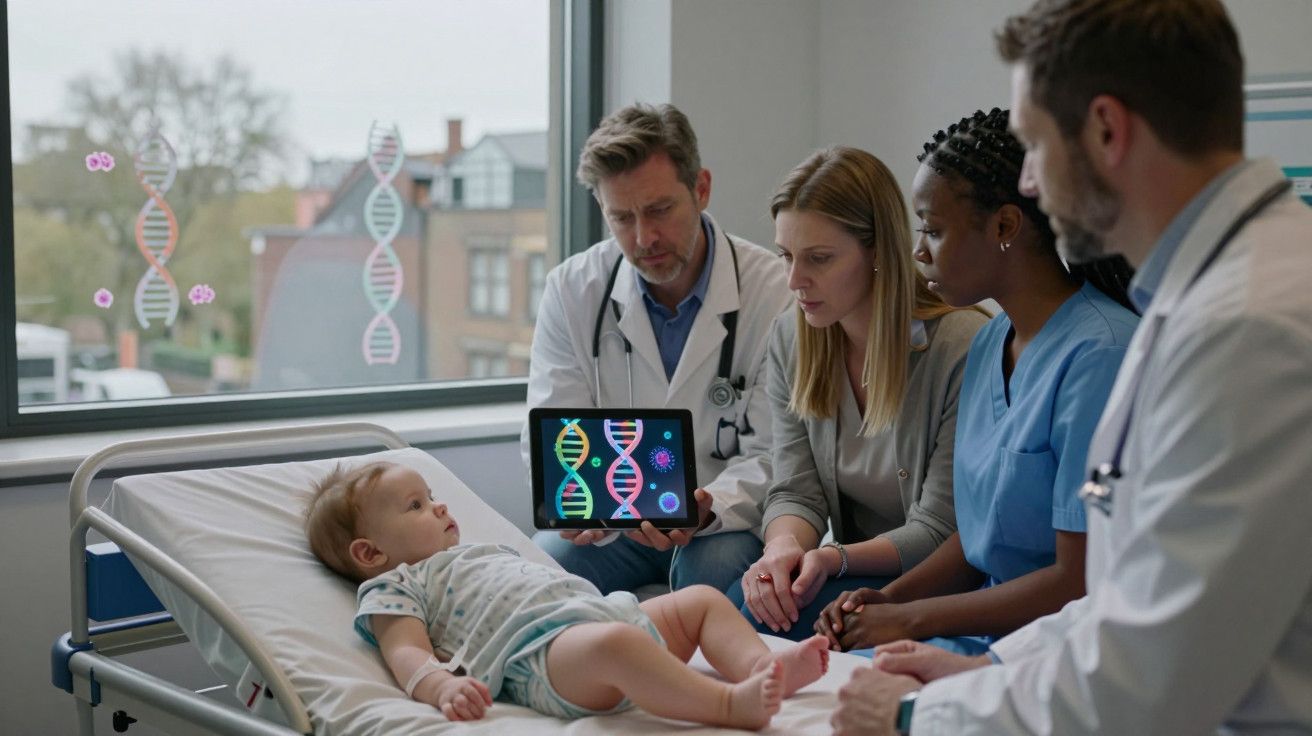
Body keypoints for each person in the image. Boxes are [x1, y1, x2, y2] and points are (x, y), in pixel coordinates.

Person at [832, 1, 1312, 734]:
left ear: (1107, 131)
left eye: (1033, 144)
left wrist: (917, 715)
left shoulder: (1246, 330)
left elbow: (1152, 678)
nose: (1027, 181)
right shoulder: (1202, 300)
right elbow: (1127, 598)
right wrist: (985, 673)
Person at [812, 109, 1139, 656]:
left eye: (933, 231)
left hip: (1061, 650)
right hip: (982, 634)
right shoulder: (991, 343)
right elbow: (982, 539)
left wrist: (913, 620)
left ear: (1005, 226)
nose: (918, 253)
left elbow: (1076, 580)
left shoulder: (1099, 357)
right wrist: (887, 601)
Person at [304, 461, 831, 729]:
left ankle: (762, 670)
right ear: (370, 554)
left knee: (700, 601)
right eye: (416, 507)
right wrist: (440, 687)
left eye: (434, 497)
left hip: (605, 616)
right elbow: (405, 652)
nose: (440, 509)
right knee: (614, 648)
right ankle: (726, 704)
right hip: (542, 659)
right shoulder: (397, 586)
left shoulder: (484, 551)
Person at [525, 102, 790, 596]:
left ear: (701, 189)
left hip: (722, 521)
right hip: (615, 528)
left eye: (660, 210)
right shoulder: (572, 290)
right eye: (621, 217)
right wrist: (583, 504)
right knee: (544, 568)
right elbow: (554, 431)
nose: (644, 237)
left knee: (705, 577)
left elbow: (779, 452)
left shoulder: (774, 292)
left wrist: (708, 506)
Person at [738, 146, 988, 640]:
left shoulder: (961, 346)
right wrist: (782, 548)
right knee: (740, 606)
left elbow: (941, 529)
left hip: (933, 582)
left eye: (819, 259)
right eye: (786, 256)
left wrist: (831, 558)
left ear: (877, 252)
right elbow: (795, 490)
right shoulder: (793, 337)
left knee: (758, 626)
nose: (794, 281)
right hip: (848, 569)